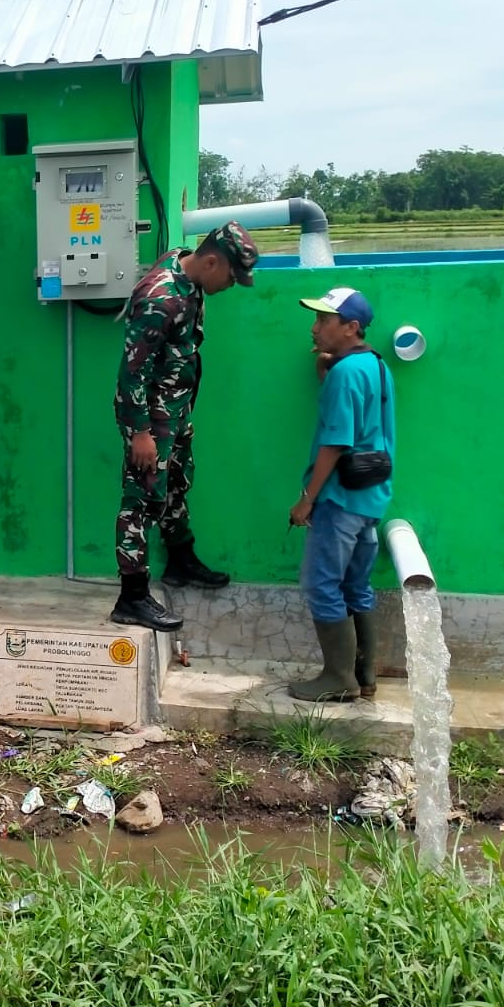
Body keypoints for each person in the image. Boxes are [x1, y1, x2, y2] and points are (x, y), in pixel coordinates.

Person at [111, 221, 258, 632]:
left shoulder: (190, 276)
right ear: (212, 262)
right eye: (231, 275)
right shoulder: (160, 298)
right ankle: (133, 596)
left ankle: (180, 559)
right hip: (149, 419)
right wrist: (141, 434)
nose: (232, 284)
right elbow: (131, 373)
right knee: (140, 500)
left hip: (174, 411)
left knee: (177, 482)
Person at [287, 287, 396, 702]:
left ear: (351, 328)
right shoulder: (374, 365)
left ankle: (337, 677)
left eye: (324, 321)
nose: (315, 329)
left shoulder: (345, 374)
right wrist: (326, 373)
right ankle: (364, 675)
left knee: (321, 585)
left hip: (339, 499)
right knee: (356, 586)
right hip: (370, 497)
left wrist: (306, 499)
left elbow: (335, 442)